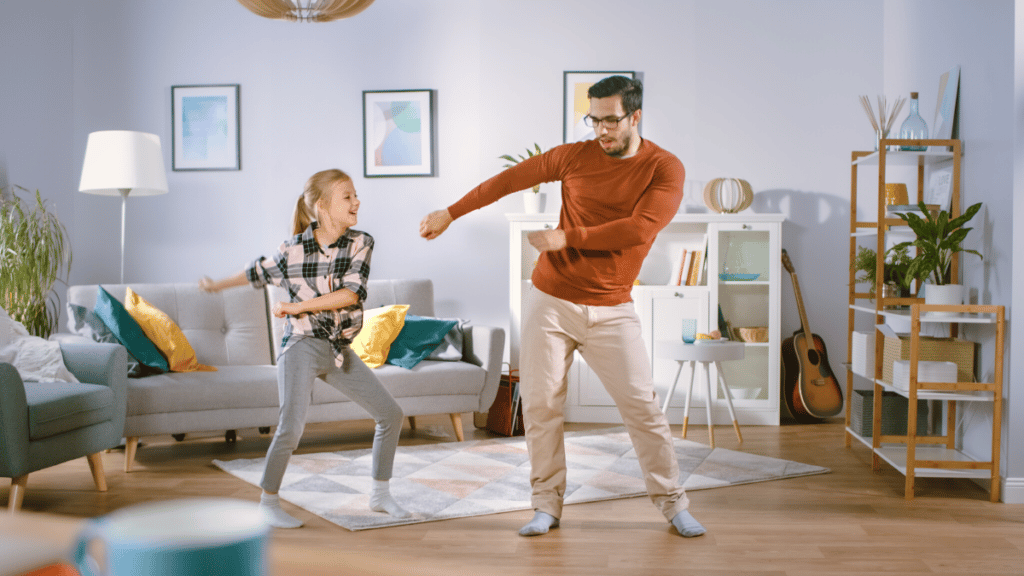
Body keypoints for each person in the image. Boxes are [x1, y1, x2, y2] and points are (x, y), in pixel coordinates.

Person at [419, 76, 706, 538]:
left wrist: (566, 237)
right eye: (594, 119)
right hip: (551, 299)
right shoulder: (574, 156)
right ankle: (546, 505)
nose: (601, 131)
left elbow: (639, 228)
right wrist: (451, 212)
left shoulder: (664, 168)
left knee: (643, 409)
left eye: (611, 120)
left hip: (612, 306)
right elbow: (509, 180)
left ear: (635, 117)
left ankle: (673, 503)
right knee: (541, 404)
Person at [200, 168, 409, 528]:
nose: (357, 201)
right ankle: (267, 501)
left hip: (336, 348)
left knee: (390, 414)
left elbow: (351, 293)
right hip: (300, 345)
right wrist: (216, 285)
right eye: (348, 197)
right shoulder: (292, 250)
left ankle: (379, 494)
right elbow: (256, 273)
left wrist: (295, 306)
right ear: (322, 207)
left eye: (356, 195)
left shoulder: (361, 242)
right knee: (291, 427)